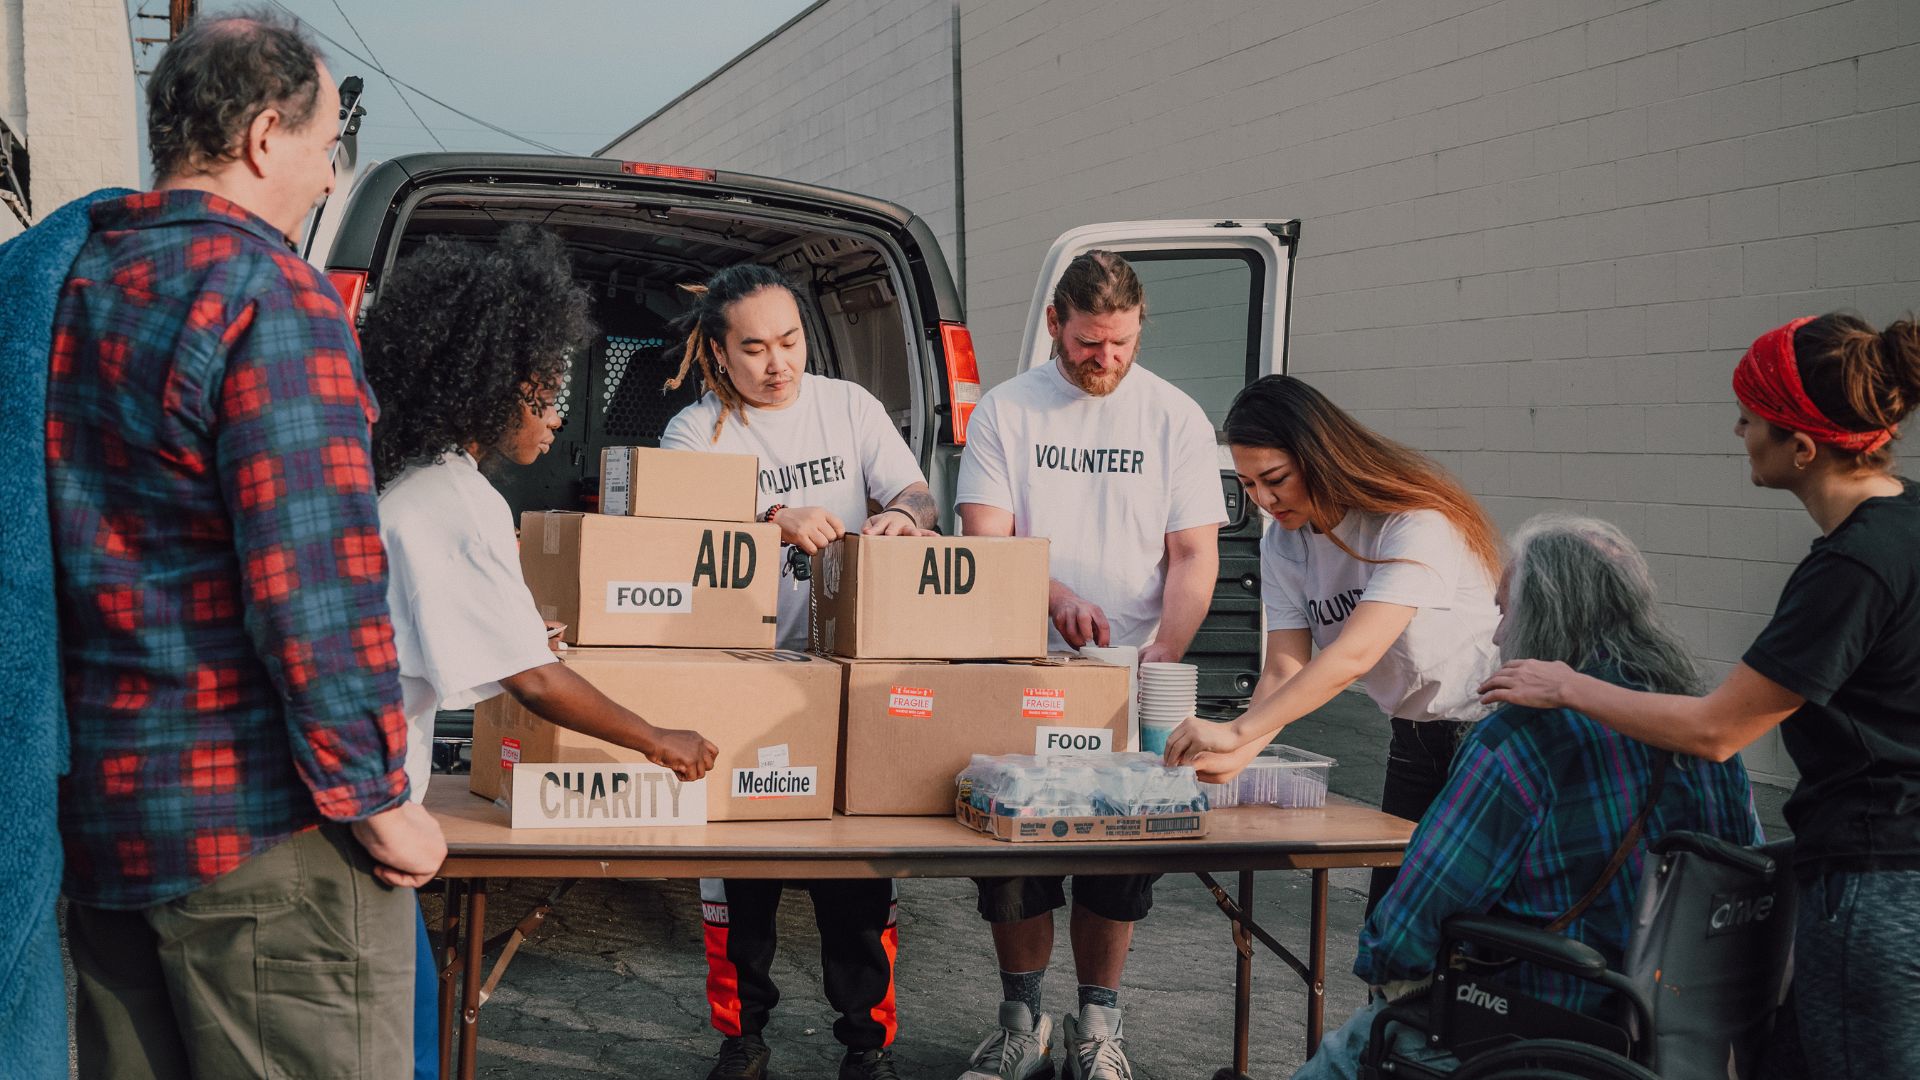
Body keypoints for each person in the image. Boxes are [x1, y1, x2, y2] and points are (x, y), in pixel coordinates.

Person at [48, 12, 445, 1078]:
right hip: (261, 837)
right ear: (267, 136)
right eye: (327, 150)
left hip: (104, 824)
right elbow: (312, 584)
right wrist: (379, 799)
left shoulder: (67, 288)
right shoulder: (271, 297)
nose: (326, 180)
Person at [1480, 313, 1920, 1079]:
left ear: (1804, 447)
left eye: (1751, 416)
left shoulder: (1853, 568)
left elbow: (1718, 731)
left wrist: (1567, 684)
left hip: (1880, 883)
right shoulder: (1908, 518)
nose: (1738, 429)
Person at [361, 224, 720, 1080]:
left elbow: (470, 640)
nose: (558, 414)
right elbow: (533, 680)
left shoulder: (411, 482)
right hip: (367, 820)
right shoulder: (456, 499)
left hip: (365, 801)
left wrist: (526, 640)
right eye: (544, 389)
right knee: (402, 1053)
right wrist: (658, 740)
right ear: (485, 384)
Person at [1292, 514, 1762, 1080]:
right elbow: (1740, 874)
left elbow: (1418, 912)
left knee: (1352, 1050)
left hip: (1536, 1022)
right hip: (1675, 1031)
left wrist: (1386, 970)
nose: (1495, 635)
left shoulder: (1520, 740)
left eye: (1503, 611)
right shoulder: (1695, 725)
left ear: (1542, 617)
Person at [659, 262, 936, 1080]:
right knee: (744, 882)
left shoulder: (848, 407)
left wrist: (898, 516)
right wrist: (773, 519)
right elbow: (676, 526)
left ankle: (867, 1048)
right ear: (718, 351)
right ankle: (742, 1043)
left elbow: (918, 492)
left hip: (851, 680)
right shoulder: (695, 432)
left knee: (853, 882)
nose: (778, 362)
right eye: (754, 348)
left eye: (789, 341)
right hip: (740, 683)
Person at [954, 250, 1227, 1080]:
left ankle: (1097, 1029)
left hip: (1135, 673)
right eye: (1086, 345)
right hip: (1029, 664)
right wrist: (1057, 593)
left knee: (1121, 855)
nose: (1104, 361)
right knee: (1020, 854)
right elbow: (986, 538)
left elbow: (1192, 552)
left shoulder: (1175, 417)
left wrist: (1166, 652)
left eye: (1120, 344)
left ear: (1139, 328)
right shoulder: (1007, 410)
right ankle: (1021, 1026)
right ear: (1054, 327)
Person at [1164, 375, 1501, 917]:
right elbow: (1283, 668)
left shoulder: (1412, 521)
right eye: (1248, 486)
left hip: (1488, 735)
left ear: (1319, 456)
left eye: (1275, 478)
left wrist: (1235, 731)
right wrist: (1238, 755)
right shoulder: (1284, 541)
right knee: (1392, 927)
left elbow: (1352, 656)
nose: (1266, 501)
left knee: (1463, 926)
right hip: (1414, 736)